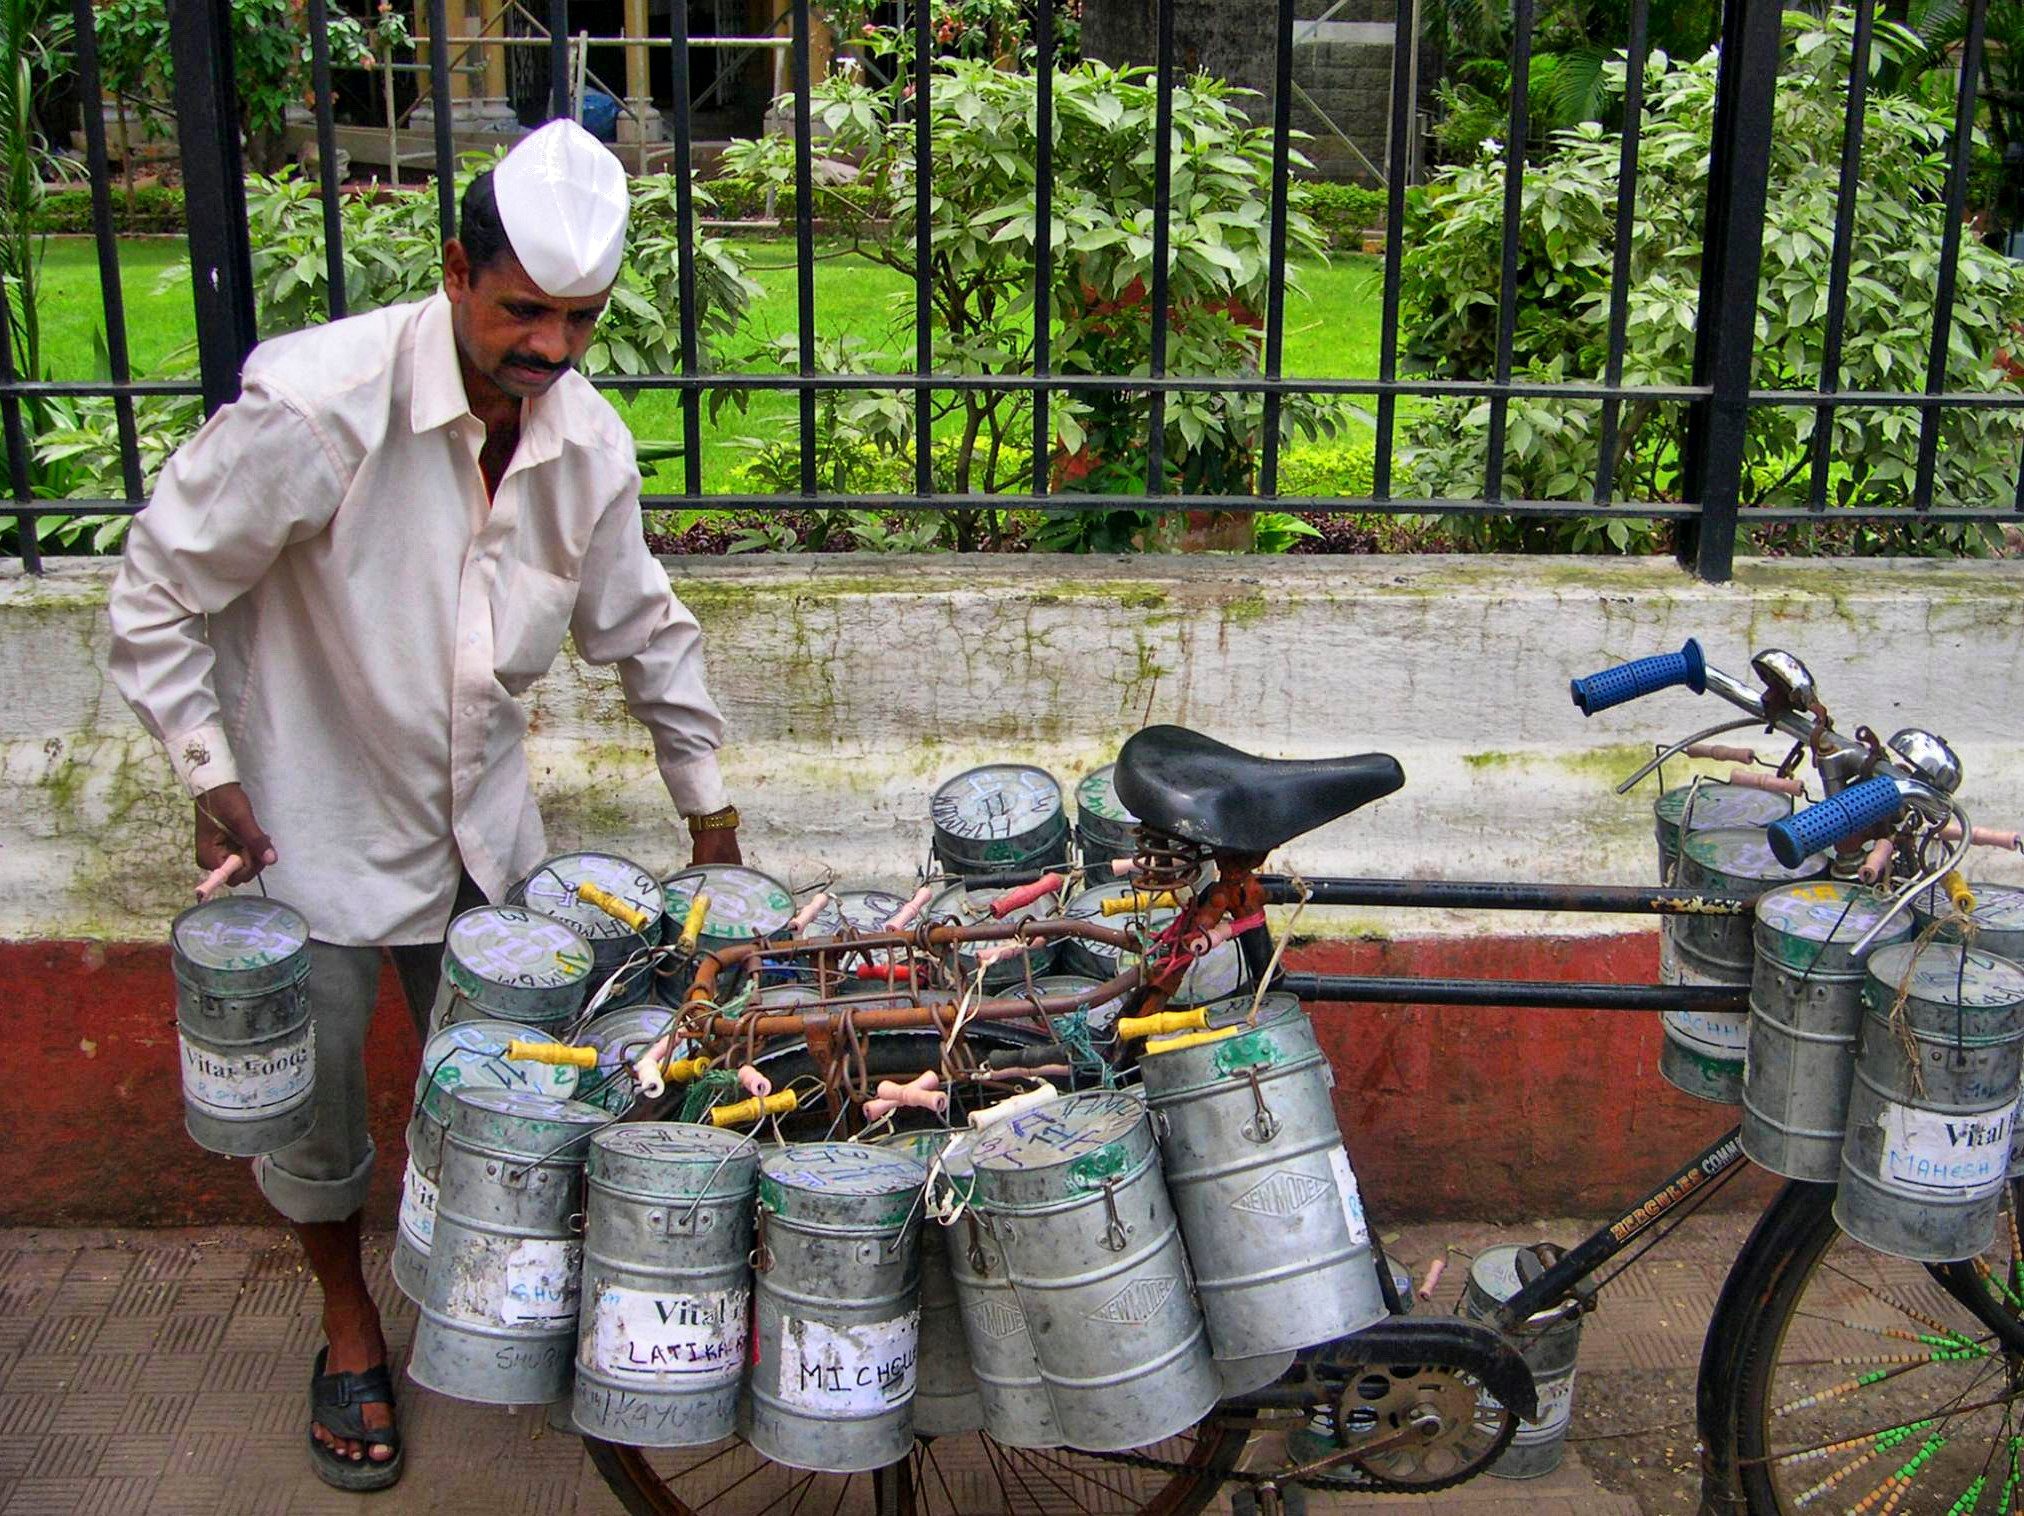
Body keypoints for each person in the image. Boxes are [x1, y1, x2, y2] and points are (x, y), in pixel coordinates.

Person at [107, 119, 740, 1493]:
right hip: (312, 841)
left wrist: (714, 823)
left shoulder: (585, 446)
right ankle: (346, 1327)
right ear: (455, 270)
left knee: (519, 1104)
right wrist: (211, 775)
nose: (552, 350)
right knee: (319, 1122)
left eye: (580, 318)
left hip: (485, 854)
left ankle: (505, 1321)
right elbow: (158, 590)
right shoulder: (317, 410)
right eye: (524, 311)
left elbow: (647, 631)